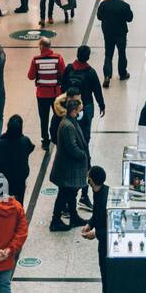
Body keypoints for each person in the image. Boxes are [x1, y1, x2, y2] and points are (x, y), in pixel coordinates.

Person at [50, 96, 89, 232]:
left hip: (69, 167)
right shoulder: (67, 126)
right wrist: (82, 154)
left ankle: (73, 216)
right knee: (64, 194)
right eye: (79, 110)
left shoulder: (69, 121)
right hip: (68, 168)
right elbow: (71, 147)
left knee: (71, 193)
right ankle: (55, 221)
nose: (80, 113)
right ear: (73, 111)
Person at [82, 165, 109, 293]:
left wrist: (96, 233)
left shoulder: (105, 198)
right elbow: (97, 215)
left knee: (109, 274)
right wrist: (89, 223)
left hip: (108, 243)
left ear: (92, 180)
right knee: (103, 271)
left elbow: (112, 227)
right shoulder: (98, 191)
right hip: (102, 243)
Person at [28, 38, 66, 149]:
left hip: (42, 94)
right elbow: (63, 73)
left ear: (41, 47)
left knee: (43, 118)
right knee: (58, 116)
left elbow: (31, 76)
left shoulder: (36, 60)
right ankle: (58, 135)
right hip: (56, 93)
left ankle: (45, 140)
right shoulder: (58, 58)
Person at [0, 115, 35, 206]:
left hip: (3, 181)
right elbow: (31, 147)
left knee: (2, 205)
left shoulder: (0, 144)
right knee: (19, 204)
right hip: (20, 179)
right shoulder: (25, 141)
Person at [97, 0, 133, 86]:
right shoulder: (124, 6)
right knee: (122, 53)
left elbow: (99, 17)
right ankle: (122, 73)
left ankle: (107, 75)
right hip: (121, 33)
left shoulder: (104, 4)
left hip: (108, 33)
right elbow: (130, 18)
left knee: (108, 54)